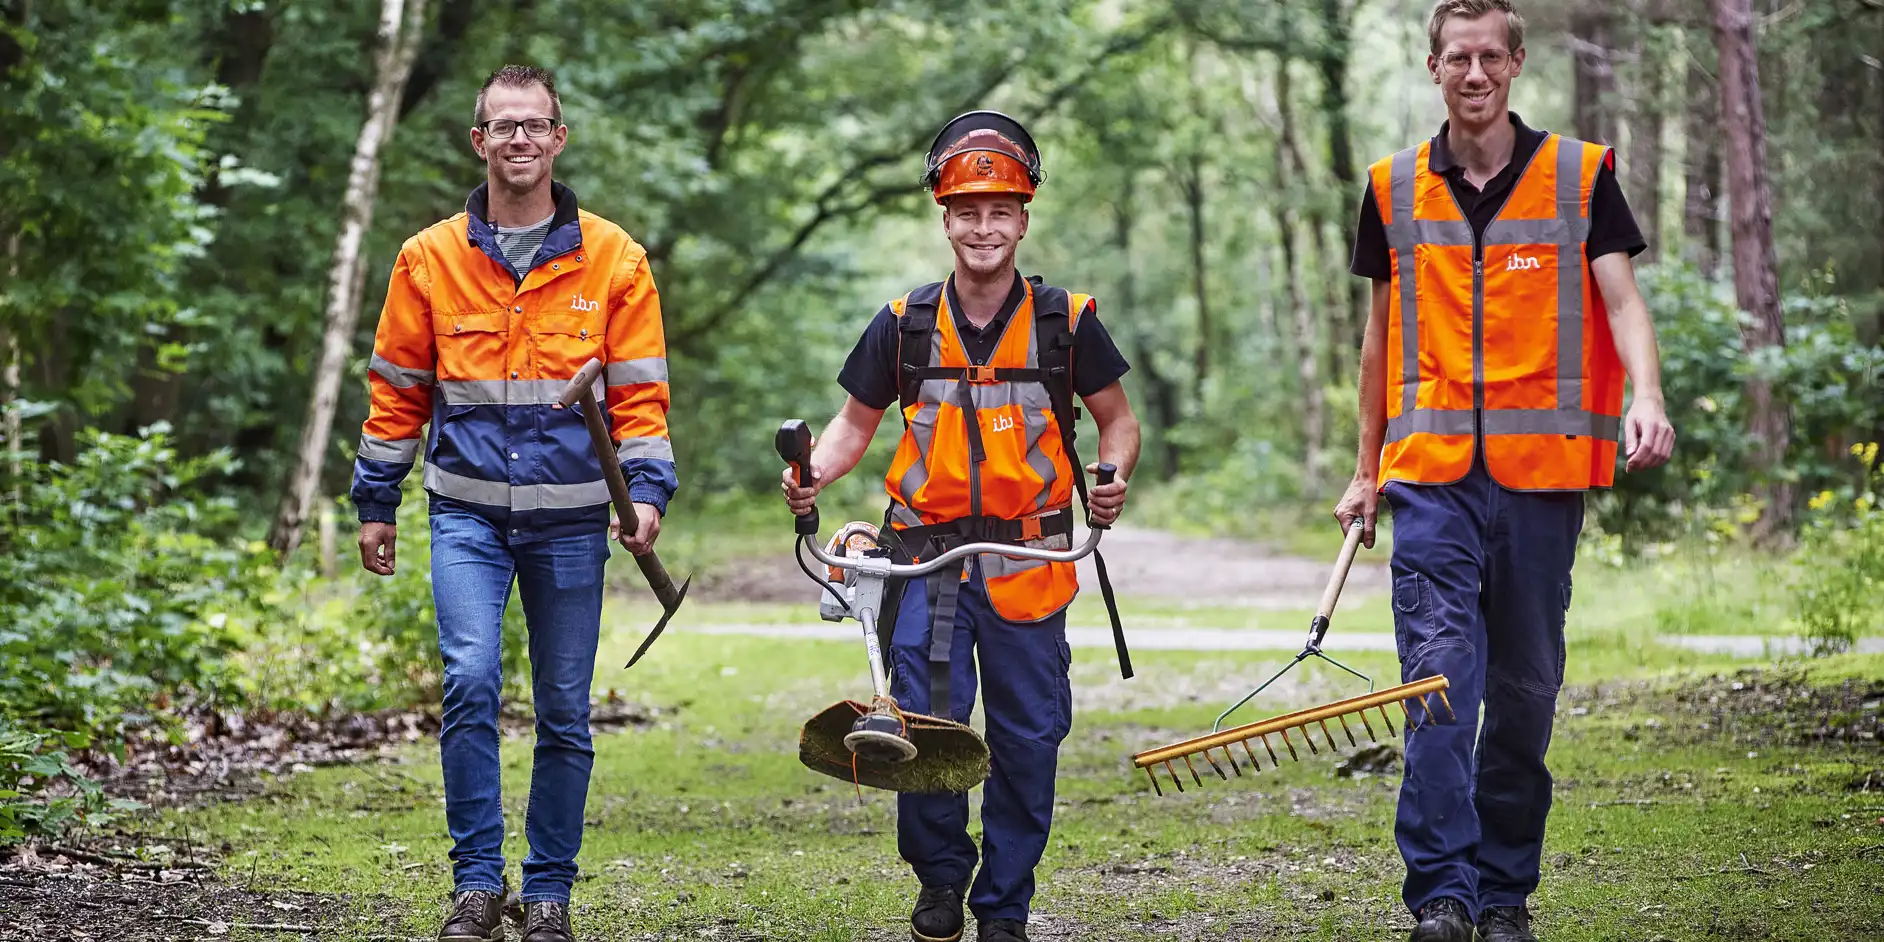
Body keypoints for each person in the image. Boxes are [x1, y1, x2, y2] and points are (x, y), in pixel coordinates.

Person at [1333, 3, 1677, 940]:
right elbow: (1379, 339)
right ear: (1434, 67)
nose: (1475, 73)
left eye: (1491, 56)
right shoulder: (1392, 188)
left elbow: (1622, 302)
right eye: (1459, 58)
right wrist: (1365, 471)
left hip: (1541, 480)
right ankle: (1442, 895)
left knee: (1524, 697)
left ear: (1517, 63)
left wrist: (1648, 396)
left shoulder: (1580, 176)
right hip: (1431, 480)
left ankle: (1503, 893)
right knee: (1438, 686)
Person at [779, 111, 1142, 942]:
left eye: (1000, 211)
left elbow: (1118, 421)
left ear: (1023, 219)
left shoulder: (1066, 321)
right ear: (945, 220)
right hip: (924, 565)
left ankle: (1004, 905)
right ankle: (941, 879)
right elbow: (851, 427)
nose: (984, 228)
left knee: (1029, 741)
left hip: (1028, 561)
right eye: (968, 212)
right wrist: (813, 474)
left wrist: (1112, 476)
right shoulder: (903, 322)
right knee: (920, 733)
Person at [350, 64, 677, 942]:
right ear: (480, 141)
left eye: (535, 125)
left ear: (559, 139)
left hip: (572, 521)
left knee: (564, 708)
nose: (520, 139)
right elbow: (396, 392)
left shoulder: (615, 260)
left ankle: (550, 892)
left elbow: (641, 396)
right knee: (468, 682)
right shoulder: (428, 259)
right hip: (465, 516)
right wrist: (376, 500)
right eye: (504, 125)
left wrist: (647, 491)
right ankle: (476, 886)